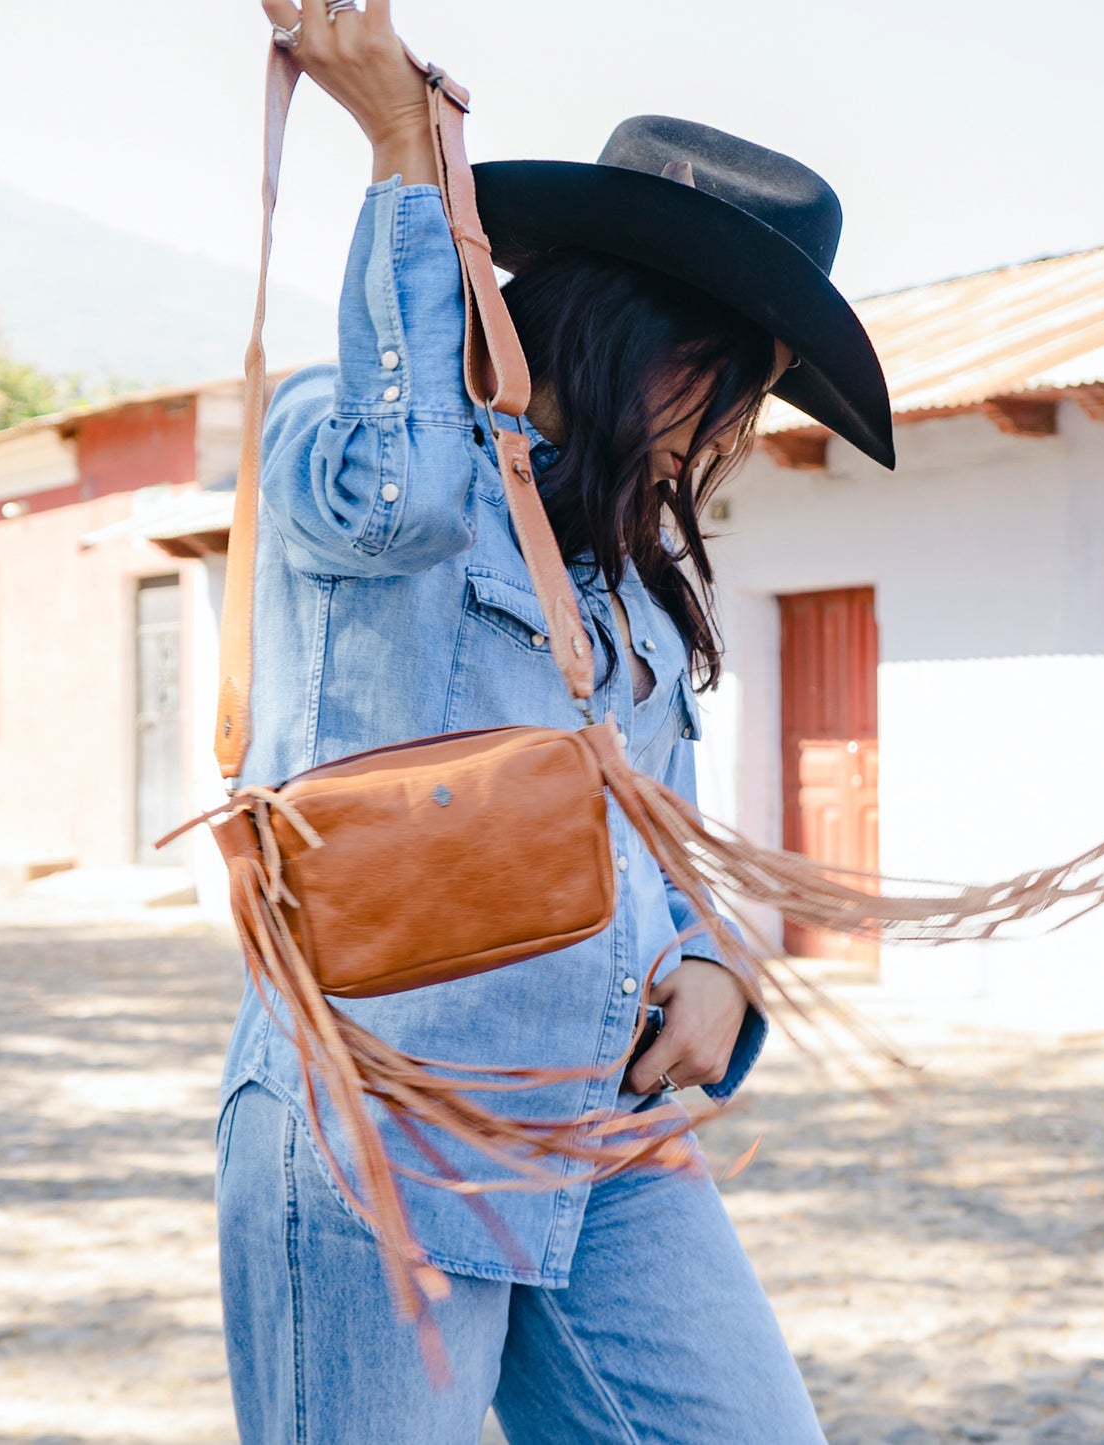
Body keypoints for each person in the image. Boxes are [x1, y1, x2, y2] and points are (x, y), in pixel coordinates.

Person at [217, 2, 896, 1440]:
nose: (735, 424)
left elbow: (663, 844)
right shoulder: (347, 445)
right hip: (385, 1126)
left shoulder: (633, 580)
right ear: (633, 325)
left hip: (605, 1130)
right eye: (737, 372)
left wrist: (715, 970)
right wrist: (407, 155)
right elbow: (404, 496)